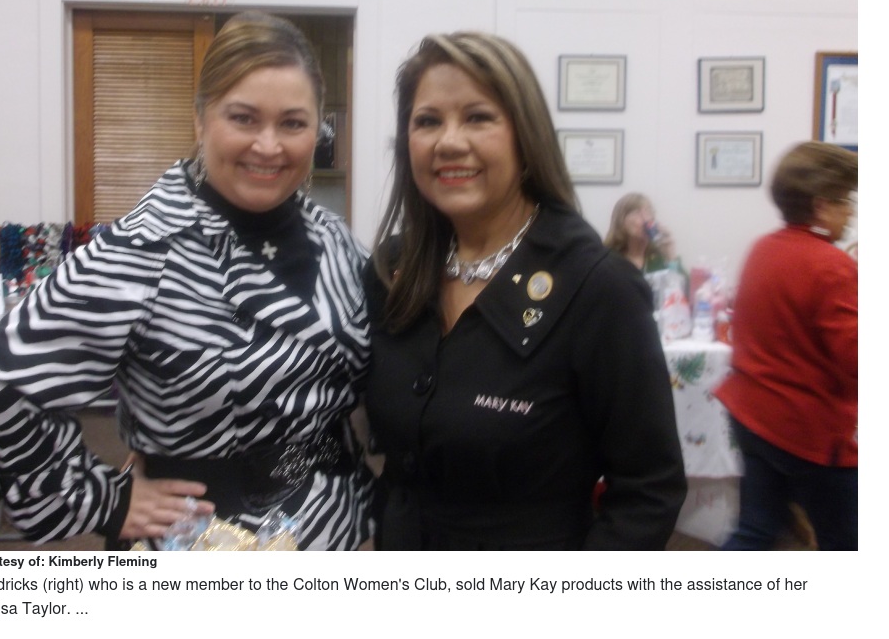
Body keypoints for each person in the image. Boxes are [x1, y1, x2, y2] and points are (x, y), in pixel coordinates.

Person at [0, 12, 372, 550]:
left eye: (293, 123)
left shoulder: (335, 239)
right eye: (243, 118)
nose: (269, 146)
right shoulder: (144, 248)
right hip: (206, 538)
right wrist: (105, 501)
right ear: (200, 120)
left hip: (335, 522)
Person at [363, 31, 686, 550]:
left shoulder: (598, 288)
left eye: (478, 117)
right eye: (427, 121)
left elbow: (649, 490)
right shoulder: (393, 270)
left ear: (525, 136)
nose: (449, 141)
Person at [714, 141, 857, 551]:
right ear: (821, 206)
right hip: (806, 429)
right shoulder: (833, 266)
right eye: (845, 201)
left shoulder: (764, 248)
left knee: (756, 530)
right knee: (849, 542)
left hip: (755, 415)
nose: (851, 212)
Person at [604, 193, 681, 275]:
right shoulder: (608, 259)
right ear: (621, 221)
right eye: (636, 213)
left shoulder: (659, 256)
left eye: (648, 212)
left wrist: (670, 257)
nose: (646, 219)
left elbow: (680, 282)